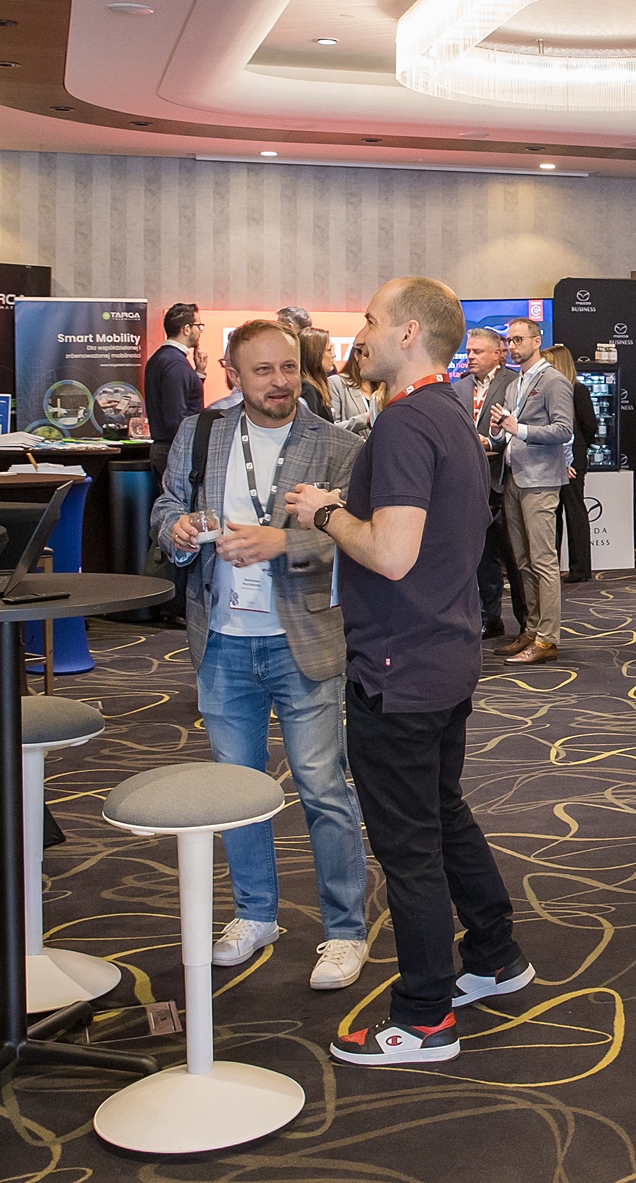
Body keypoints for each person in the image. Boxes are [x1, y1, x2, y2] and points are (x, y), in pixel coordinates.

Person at [284, 276, 533, 1068]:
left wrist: (324, 512)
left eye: (370, 320)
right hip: (442, 655)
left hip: (399, 664)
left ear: (408, 334)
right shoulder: (449, 411)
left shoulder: (403, 422)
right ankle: (494, 953)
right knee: (442, 814)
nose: (358, 334)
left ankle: (424, 1017)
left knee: (410, 843)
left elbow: (391, 553)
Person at [149, 320, 370, 989]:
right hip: (220, 639)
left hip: (302, 638)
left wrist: (285, 543)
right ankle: (254, 913)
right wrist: (177, 531)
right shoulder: (201, 434)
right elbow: (166, 507)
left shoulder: (338, 446)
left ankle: (345, 930)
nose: (280, 382)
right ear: (232, 374)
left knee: (323, 787)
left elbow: (361, 541)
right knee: (236, 788)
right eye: (263, 370)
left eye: (288, 368)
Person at [490, 318, 574, 664]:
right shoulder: (515, 385)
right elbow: (507, 433)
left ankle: (548, 639)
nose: (512, 346)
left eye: (519, 340)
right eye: (509, 341)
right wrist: (499, 431)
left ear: (537, 341)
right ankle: (532, 629)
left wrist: (519, 428)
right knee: (522, 562)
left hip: (540, 481)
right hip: (514, 477)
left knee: (543, 561)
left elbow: (564, 430)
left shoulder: (553, 381)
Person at [455, 328, 525, 639]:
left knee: (515, 557)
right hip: (470, 485)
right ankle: (490, 617)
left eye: (477, 352)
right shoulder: (458, 387)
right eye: (468, 351)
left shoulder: (514, 384)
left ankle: (527, 623)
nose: (470, 357)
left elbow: (521, 428)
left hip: (505, 482)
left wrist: (492, 441)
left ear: (498, 354)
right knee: (481, 559)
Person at [542, 345, 596, 583]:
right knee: (553, 513)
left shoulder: (577, 390)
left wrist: (578, 450)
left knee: (574, 510)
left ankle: (580, 568)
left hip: (573, 458)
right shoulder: (552, 391)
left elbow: (589, 425)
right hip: (554, 458)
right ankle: (552, 568)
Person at [145, 302, 205, 481]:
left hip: (166, 449)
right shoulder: (175, 364)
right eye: (198, 326)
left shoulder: (160, 359)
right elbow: (176, 418)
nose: (200, 331)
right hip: (176, 451)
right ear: (186, 329)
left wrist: (199, 373)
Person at [329, 342, 375, 432]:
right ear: (357, 355)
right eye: (368, 355)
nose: (374, 361)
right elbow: (332, 428)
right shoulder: (336, 383)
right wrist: (366, 418)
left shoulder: (383, 385)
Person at [298, 328, 336, 423]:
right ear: (314, 354)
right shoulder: (307, 389)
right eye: (329, 350)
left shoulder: (317, 386)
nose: (334, 354)